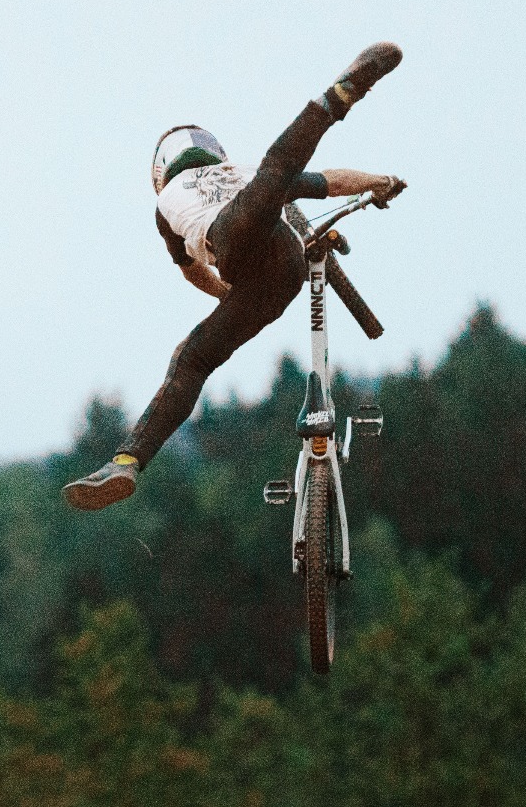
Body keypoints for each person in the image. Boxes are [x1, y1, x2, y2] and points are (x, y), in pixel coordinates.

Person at [63, 42, 407, 511]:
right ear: (213, 152)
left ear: (162, 172)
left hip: (240, 259)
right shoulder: (238, 170)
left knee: (191, 362)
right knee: (273, 178)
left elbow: (195, 273)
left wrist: (227, 296)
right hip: (284, 265)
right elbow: (330, 181)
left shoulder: (166, 207)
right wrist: (378, 181)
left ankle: (127, 459)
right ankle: (334, 102)